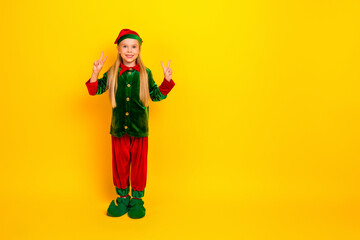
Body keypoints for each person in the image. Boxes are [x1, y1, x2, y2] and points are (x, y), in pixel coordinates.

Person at [85, 29, 175, 219]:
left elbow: (156, 95)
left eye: (133, 47)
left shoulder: (145, 73)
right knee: (120, 164)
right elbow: (95, 90)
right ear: (118, 49)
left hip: (140, 130)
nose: (129, 50)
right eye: (125, 46)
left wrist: (166, 81)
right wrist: (95, 73)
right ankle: (123, 198)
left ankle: (137, 200)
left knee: (139, 166)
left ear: (139, 50)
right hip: (118, 130)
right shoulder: (112, 73)